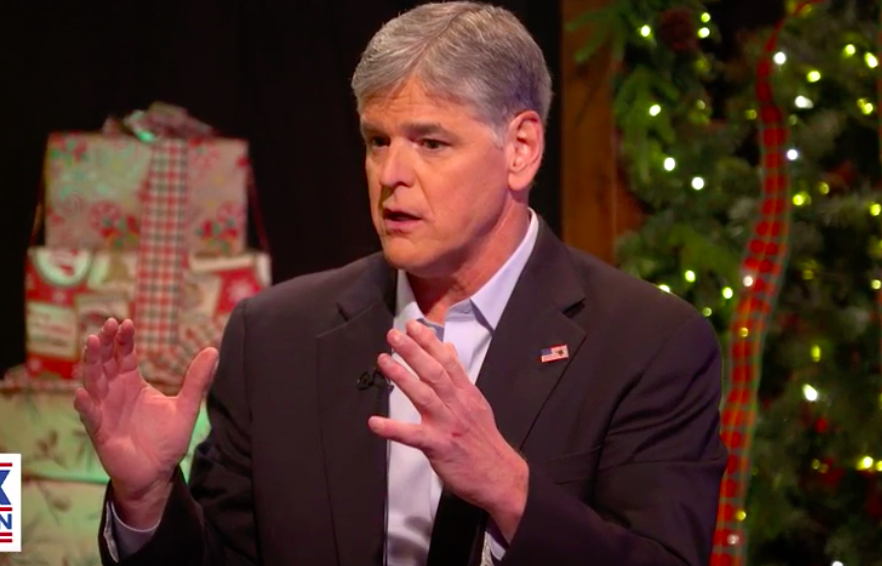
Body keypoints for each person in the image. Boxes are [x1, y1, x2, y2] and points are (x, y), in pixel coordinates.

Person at [74, 2, 728, 565]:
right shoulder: (274, 337)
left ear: (521, 149)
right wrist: (146, 499)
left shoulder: (649, 344)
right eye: (378, 140)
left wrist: (510, 489)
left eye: (431, 143)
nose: (391, 175)